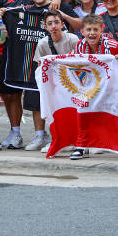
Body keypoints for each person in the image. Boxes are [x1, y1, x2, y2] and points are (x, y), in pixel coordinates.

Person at [0, 0, 71, 149]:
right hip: (15, 51)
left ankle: (55, 135)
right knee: (12, 94)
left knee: (44, 95)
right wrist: (0, 18)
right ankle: (17, 133)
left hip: (43, 53)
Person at [69, 14, 118, 159]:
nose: (92, 33)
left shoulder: (111, 44)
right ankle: (80, 146)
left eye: (95, 30)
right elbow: (71, 60)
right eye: (88, 30)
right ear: (82, 32)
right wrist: (49, 61)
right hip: (94, 86)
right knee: (82, 110)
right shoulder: (79, 46)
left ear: (101, 31)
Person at [32, 10, 79, 152]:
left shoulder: (72, 39)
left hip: (74, 82)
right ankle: (58, 140)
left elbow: (81, 61)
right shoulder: (42, 44)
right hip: (54, 84)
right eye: (50, 23)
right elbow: (40, 66)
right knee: (55, 111)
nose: (54, 26)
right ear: (45, 27)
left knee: (75, 112)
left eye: (57, 22)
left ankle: (77, 141)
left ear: (63, 24)